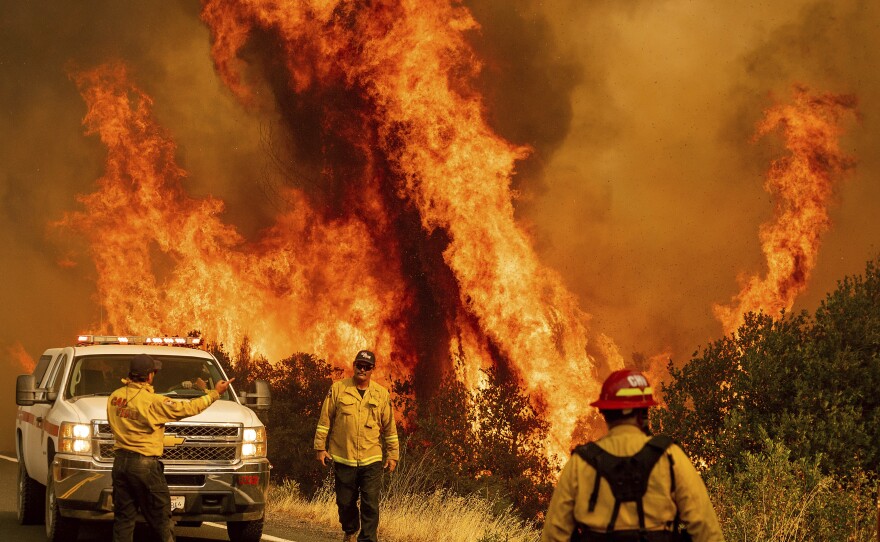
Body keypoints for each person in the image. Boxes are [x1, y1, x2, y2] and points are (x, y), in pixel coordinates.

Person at [541, 369, 724, 542]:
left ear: (605, 412)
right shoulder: (669, 456)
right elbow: (705, 528)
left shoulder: (580, 463)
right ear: (642, 412)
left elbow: (554, 535)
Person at [107, 353, 233, 542]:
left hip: (120, 465)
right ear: (149, 375)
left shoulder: (114, 397)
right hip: (145, 467)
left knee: (123, 520)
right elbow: (188, 408)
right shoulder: (153, 402)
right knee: (161, 520)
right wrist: (215, 393)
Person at [314, 350, 399, 542]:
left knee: (370, 503)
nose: (362, 369)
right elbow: (324, 420)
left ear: (372, 369)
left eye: (366, 367)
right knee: (345, 503)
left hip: (372, 458)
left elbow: (390, 429)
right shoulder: (338, 389)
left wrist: (393, 455)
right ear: (353, 365)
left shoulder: (381, 395)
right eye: (359, 365)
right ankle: (350, 530)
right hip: (344, 456)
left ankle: (367, 539)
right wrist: (320, 447)